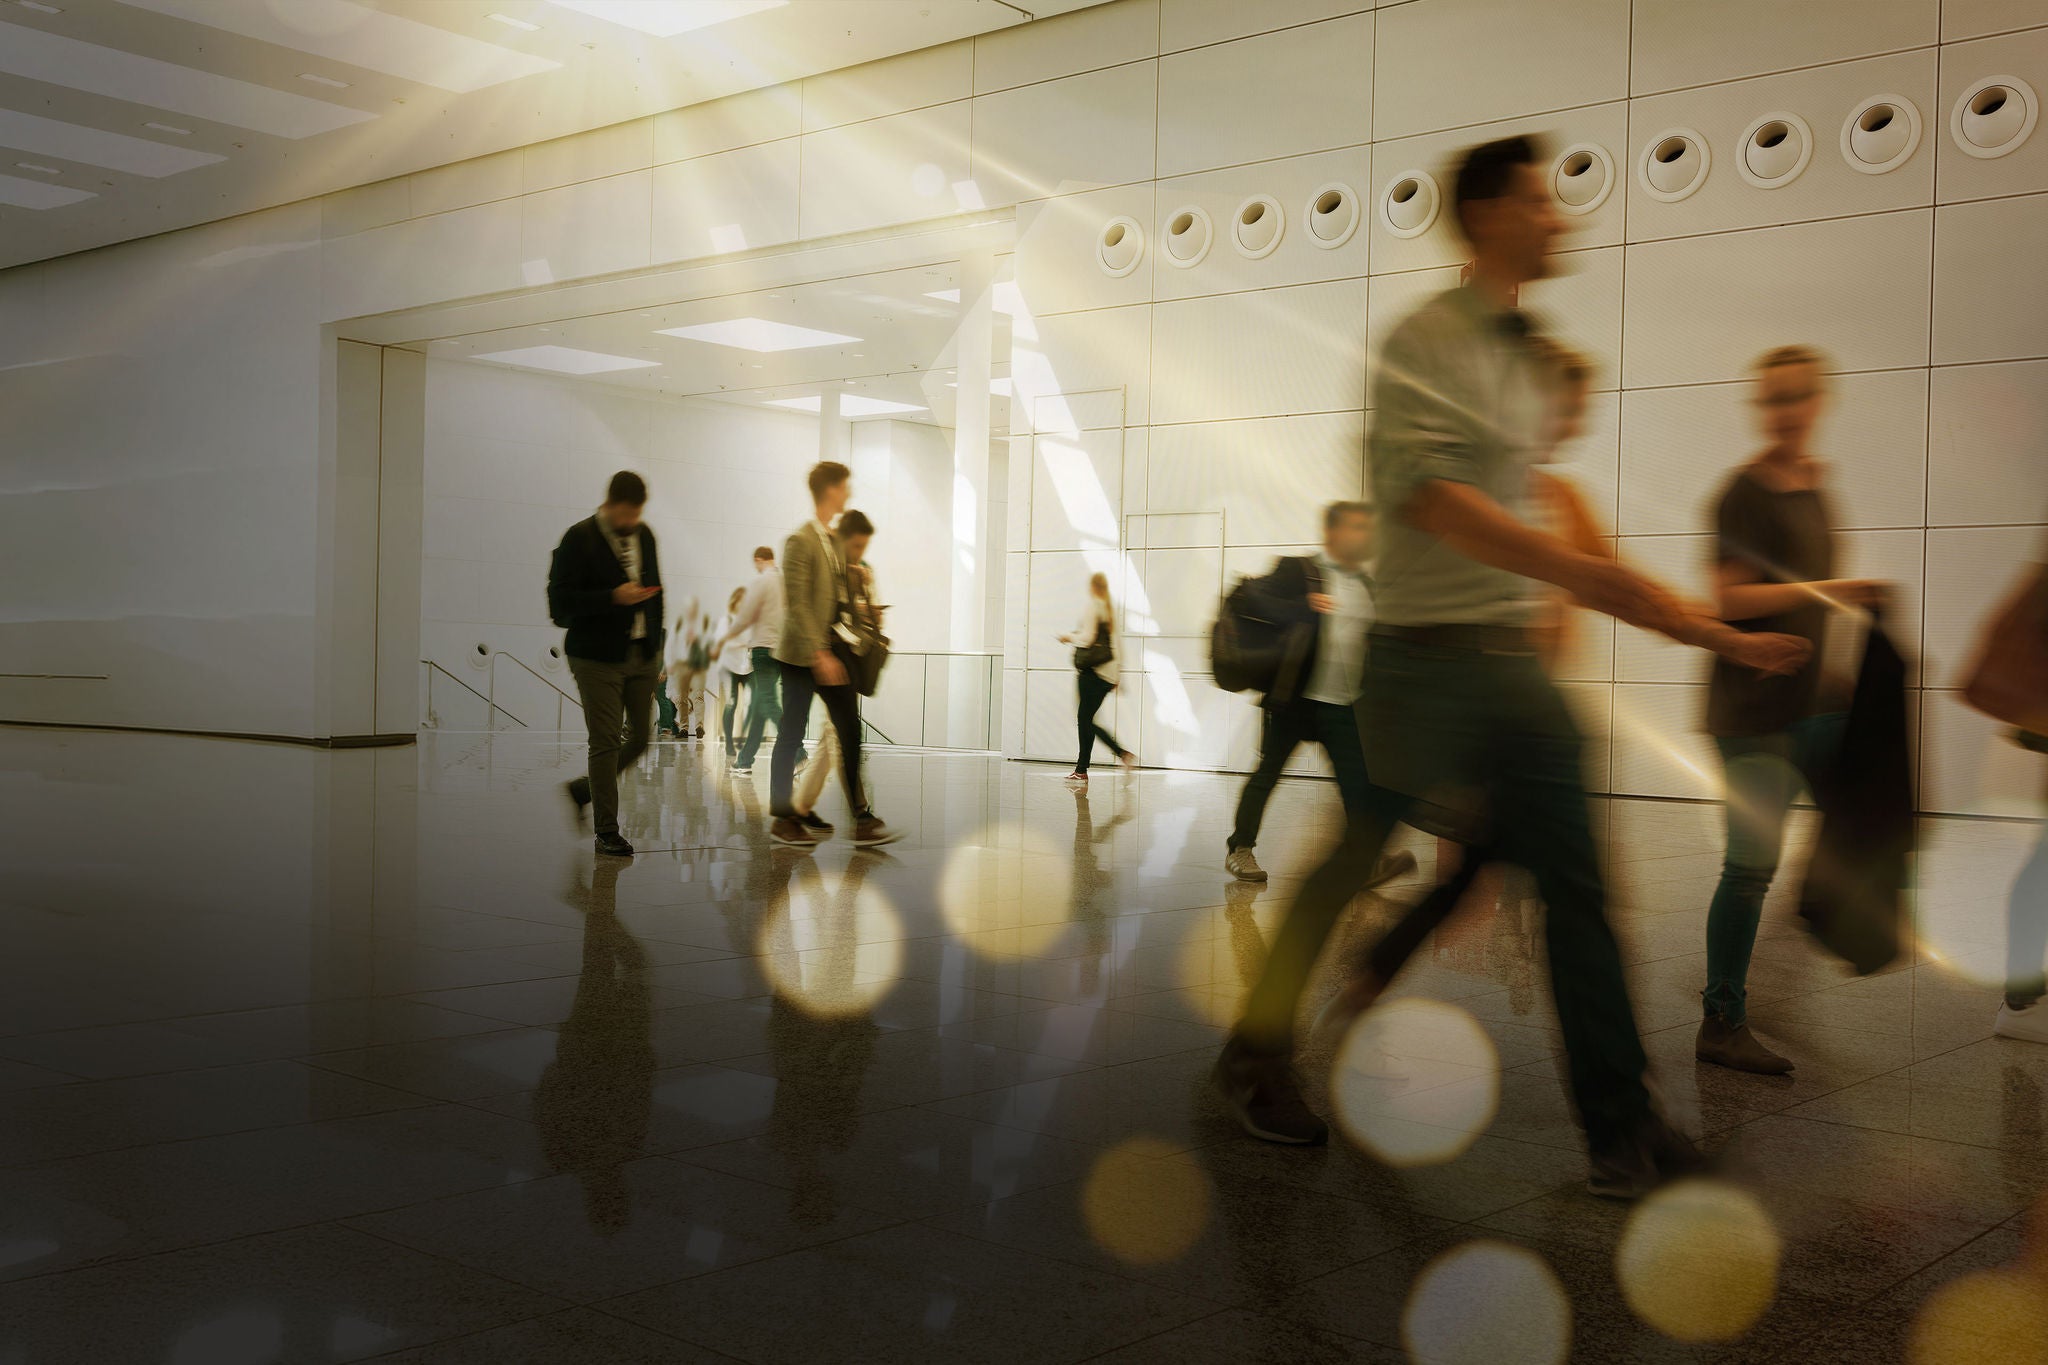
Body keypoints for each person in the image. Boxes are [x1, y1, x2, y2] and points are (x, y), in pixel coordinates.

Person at [1210, 135, 1810, 1200]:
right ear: (1487, 215)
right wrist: (1575, 569)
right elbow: (1432, 501)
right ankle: (1256, 1054)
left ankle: (1623, 1134)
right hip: (1421, 661)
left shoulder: (1520, 356)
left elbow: (1574, 550)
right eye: (1539, 201)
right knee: (1353, 861)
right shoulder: (1426, 341)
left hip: (1509, 671)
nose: (1558, 217)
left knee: (1579, 887)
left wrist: (1721, 640)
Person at [1695, 345, 1892, 1074]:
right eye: (1772, 398)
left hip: (1807, 702)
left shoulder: (1815, 487)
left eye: (1796, 396)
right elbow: (1729, 597)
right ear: (1760, 407)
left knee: (1863, 819)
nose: (1784, 411)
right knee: (1750, 866)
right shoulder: (1741, 494)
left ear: (1818, 401)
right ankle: (1721, 1019)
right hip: (1750, 708)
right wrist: (1833, 591)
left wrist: (1834, 671)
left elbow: (1810, 598)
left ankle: (1823, 932)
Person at [1223, 501, 1415, 893]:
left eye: (1368, 528)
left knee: (1357, 783)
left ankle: (1367, 860)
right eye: (1357, 527)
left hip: (1346, 703)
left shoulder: (1367, 584)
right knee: (1267, 775)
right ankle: (1240, 848)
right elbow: (1247, 597)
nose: (1365, 535)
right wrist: (1302, 607)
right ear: (1332, 532)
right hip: (1295, 699)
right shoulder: (1299, 570)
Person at [770, 465, 898, 849]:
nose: (848, 493)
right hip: (800, 655)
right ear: (830, 490)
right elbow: (797, 603)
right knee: (791, 732)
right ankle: (783, 819)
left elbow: (836, 601)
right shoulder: (800, 540)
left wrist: (862, 604)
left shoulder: (833, 540)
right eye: (845, 487)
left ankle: (862, 817)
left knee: (848, 729)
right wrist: (819, 652)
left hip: (831, 651)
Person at [548, 470, 664, 857]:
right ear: (610, 504)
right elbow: (559, 607)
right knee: (606, 741)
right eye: (626, 514)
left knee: (642, 738)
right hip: (595, 656)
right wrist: (612, 597)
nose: (632, 522)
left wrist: (656, 647)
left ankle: (584, 789)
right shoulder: (578, 538)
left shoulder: (644, 535)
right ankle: (607, 832)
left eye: (637, 514)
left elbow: (657, 592)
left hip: (641, 653)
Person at [790, 510, 881, 834]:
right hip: (823, 658)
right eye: (856, 546)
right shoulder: (824, 561)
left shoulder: (858, 569)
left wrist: (863, 593)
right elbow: (813, 609)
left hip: (844, 658)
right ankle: (860, 813)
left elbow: (859, 617)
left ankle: (800, 807)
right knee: (842, 736)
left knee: (835, 737)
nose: (860, 553)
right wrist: (822, 654)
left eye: (863, 547)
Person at [1057, 572, 1135, 781]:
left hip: (1092, 671)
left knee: (1085, 720)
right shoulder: (1110, 609)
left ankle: (1121, 753)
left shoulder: (1094, 606)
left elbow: (1088, 638)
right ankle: (1082, 769)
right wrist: (1117, 676)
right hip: (1108, 675)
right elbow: (1118, 645)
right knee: (1087, 719)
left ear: (1092, 587)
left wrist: (1068, 637)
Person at [722, 546, 784, 776]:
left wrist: (727, 637)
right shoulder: (784, 582)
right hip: (781, 650)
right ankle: (745, 760)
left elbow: (745, 618)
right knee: (759, 707)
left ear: (759, 560)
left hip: (762, 651)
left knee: (768, 703)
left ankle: (798, 752)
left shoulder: (761, 581)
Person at [716, 585, 752, 755]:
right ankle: (729, 743)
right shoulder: (726, 621)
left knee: (752, 703)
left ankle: (744, 739)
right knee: (731, 703)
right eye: (741, 601)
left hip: (747, 667)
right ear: (735, 602)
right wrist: (744, 644)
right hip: (729, 667)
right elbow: (722, 643)